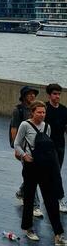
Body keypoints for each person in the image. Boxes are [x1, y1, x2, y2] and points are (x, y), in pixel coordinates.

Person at [13, 100, 67, 246]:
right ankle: (28, 228)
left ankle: (58, 235)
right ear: (33, 112)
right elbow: (17, 144)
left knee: (50, 199)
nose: (42, 115)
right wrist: (24, 155)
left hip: (45, 167)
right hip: (31, 167)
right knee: (29, 198)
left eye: (44, 112)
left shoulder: (47, 127)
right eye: (39, 112)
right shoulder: (25, 125)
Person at [10, 86, 43, 217]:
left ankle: (21, 192)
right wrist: (16, 148)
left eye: (33, 94)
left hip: (36, 150)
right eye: (29, 94)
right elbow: (14, 128)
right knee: (33, 176)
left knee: (32, 176)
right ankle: (35, 206)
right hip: (24, 150)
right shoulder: (18, 110)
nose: (32, 96)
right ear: (24, 96)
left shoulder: (36, 111)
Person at [45, 83, 67, 213]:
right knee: (42, 173)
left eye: (59, 94)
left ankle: (57, 198)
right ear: (49, 95)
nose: (57, 96)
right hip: (45, 146)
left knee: (56, 172)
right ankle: (59, 198)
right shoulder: (43, 108)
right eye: (55, 94)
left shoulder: (64, 110)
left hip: (59, 146)